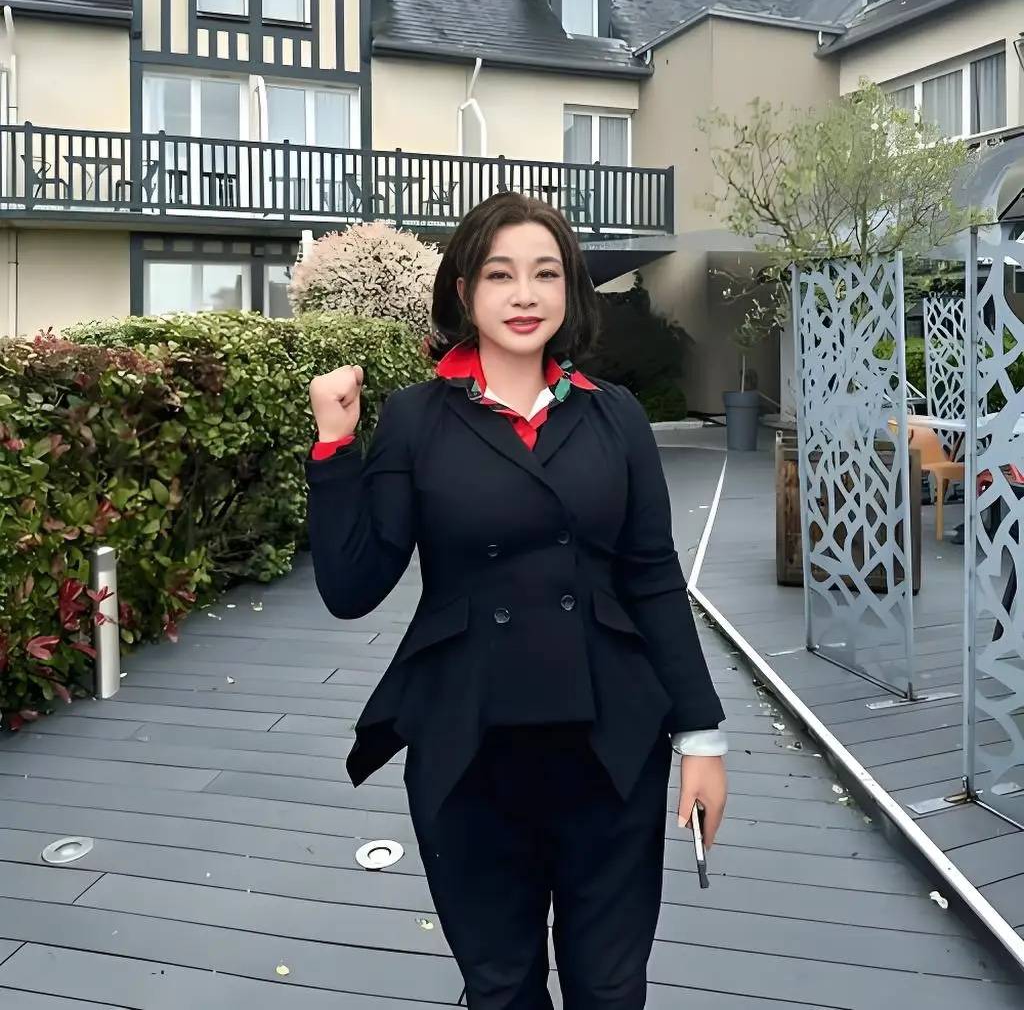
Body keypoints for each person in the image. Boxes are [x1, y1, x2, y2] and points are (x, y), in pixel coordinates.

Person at [306, 191, 728, 1009]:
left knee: (612, 988)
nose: (525, 295)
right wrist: (334, 445)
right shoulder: (415, 418)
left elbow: (653, 577)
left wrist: (702, 738)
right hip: (469, 746)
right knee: (501, 988)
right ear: (465, 291)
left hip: (611, 743)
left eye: (545, 273)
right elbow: (352, 587)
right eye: (500, 275)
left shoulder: (614, 416)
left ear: (570, 289)